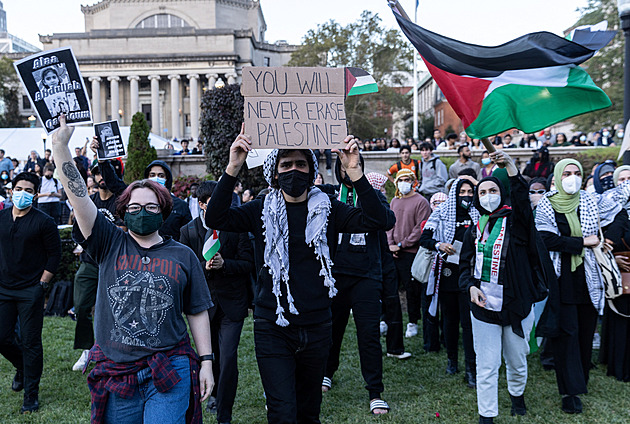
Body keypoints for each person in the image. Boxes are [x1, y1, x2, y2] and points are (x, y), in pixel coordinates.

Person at [205, 125, 394, 424]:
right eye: (287, 164)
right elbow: (215, 216)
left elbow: (380, 219)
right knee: (282, 413)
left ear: (310, 171)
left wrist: (355, 172)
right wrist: (233, 167)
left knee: (309, 414)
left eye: (301, 164)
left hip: (318, 326)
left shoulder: (329, 209)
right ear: (276, 173)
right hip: (273, 327)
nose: (294, 170)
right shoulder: (259, 210)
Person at [52, 115, 214, 423]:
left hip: (170, 365)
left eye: (151, 207)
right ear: (124, 211)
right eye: (135, 207)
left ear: (163, 211)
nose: (143, 212)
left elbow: (197, 310)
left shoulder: (183, 255)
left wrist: (206, 361)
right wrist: (61, 147)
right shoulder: (108, 242)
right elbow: (79, 196)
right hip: (117, 368)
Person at [460, 150, 547, 424]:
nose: (488, 195)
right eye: (482, 191)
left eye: (493, 190)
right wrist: (471, 287)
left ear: (502, 193)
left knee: (517, 360)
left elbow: (522, 202)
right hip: (483, 307)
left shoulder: (517, 223)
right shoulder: (473, 230)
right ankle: (487, 415)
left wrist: (510, 166)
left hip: (516, 305)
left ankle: (516, 394)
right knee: (486, 364)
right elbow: (465, 268)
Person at [536, 158, 620, 414]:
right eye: (566, 173)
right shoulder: (547, 204)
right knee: (567, 335)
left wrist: (602, 241)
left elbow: (619, 202)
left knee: (585, 334)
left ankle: (581, 380)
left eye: (576, 173)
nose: (571, 178)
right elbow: (546, 238)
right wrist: (582, 242)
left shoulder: (589, 200)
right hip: (563, 280)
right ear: (558, 177)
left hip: (589, 278)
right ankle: (569, 391)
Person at [322, 156, 396, 415]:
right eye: (342, 168)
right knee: (332, 330)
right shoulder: (330, 196)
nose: (347, 172)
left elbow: (388, 220)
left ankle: (375, 392)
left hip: (367, 276)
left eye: (352, 167)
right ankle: (327, 372)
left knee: (369, 336)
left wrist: (366, 192)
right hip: (336, 275)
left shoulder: (372, 195)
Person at [180, 180, 254, 424]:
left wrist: (226, 265)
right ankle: (212, 394)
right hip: (204, 307)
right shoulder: (188, 231)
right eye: (214, 202)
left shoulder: (237, 227)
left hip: (233, 303)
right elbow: (184, 271)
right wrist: (206, 266)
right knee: (210, 357)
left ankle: (225, 412)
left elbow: (248, 263)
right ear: (201, 205)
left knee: (229, 356)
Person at [0, 172, 62, 414]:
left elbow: (54, 255)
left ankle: (31, 396)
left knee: (31, 342)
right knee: (2, 338)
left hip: (30, 290)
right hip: (4, 289)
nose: (21, 193)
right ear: (11, 190)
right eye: (18, 188)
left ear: (35, 195)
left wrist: (41, 285)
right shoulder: (2, 218)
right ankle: (22, 367)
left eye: (27, 190)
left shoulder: (43, 221)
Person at [420, 178, 479, 388]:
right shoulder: (442, 211)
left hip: (470, 274)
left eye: (470, 192)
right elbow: (424, 238)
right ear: (455, 193)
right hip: (447, 274)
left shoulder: (478, 213)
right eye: (462, 191)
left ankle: (471, 368)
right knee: (450, 321)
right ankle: (452, 360)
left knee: (469, 323)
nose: (466, 196)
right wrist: (439, 244)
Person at [71, 164, 122, 372]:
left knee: (115, 310)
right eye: (98, 173)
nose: (101, 177)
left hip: (114, 263)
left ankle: (113, 349)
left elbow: (123, 229)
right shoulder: (89, 201)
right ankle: (87, 349)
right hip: (90, 262)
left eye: (105, 172)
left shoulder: (121, 202)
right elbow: (78, 230)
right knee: (82, 307)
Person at [95, 138, 192, 241]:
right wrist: (102, 161)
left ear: (167, 179)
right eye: (152, 175)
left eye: (161, 175)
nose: (156, 178)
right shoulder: (136, 197)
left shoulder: (181, 206)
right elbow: (114, 184)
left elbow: (188, 236)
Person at [388, 169, 431, 339]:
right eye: (401, 179)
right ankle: (388, 319)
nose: (404, 182)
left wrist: (401, 244)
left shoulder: (421, 202)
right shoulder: (394, 201)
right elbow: (389, 224)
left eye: (407, 179)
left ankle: (413, 322)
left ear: (413, 181)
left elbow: (420, 228)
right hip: (393, 252)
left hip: (411, 253)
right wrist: (391, 244)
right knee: (390, 289)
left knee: (412, 290)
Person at [600, 180, 630, 381]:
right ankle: (620, 366)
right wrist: (612, 260)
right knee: (621, 321)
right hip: (620, 274)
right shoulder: (609, 208)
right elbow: (598, 238)